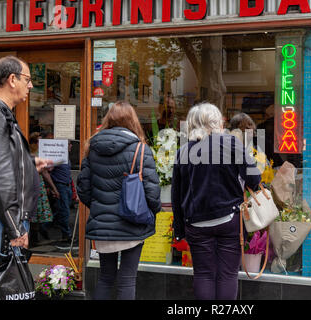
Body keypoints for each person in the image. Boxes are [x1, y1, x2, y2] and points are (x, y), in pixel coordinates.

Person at [172, 102, 261, 300]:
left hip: (195, 222)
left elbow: (176, 195)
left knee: (203, 274)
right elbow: (255, 180)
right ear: (217, 122)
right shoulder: (232, 144)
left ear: (192, 124)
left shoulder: (183, 151)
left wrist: (178, 230)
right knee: (227, 274)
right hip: (229, 220)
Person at [77, 101, 161, 300]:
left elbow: (83, 189)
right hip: (132, 223)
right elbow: (152, 192)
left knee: (105, 278)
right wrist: (151, 212)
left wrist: (100, 207)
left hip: (102, 224)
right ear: (132, 120)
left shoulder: (92, 148)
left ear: (108, 119)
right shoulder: (141, 149)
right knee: (127, 279)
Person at [0, 56, 52, 295]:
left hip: (4, 220)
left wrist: (30, 163)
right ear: (12, 80)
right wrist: (15, 230)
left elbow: (2, 162)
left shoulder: (2, 116)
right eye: (28, 79)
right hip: (0, 223)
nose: (31, 85)